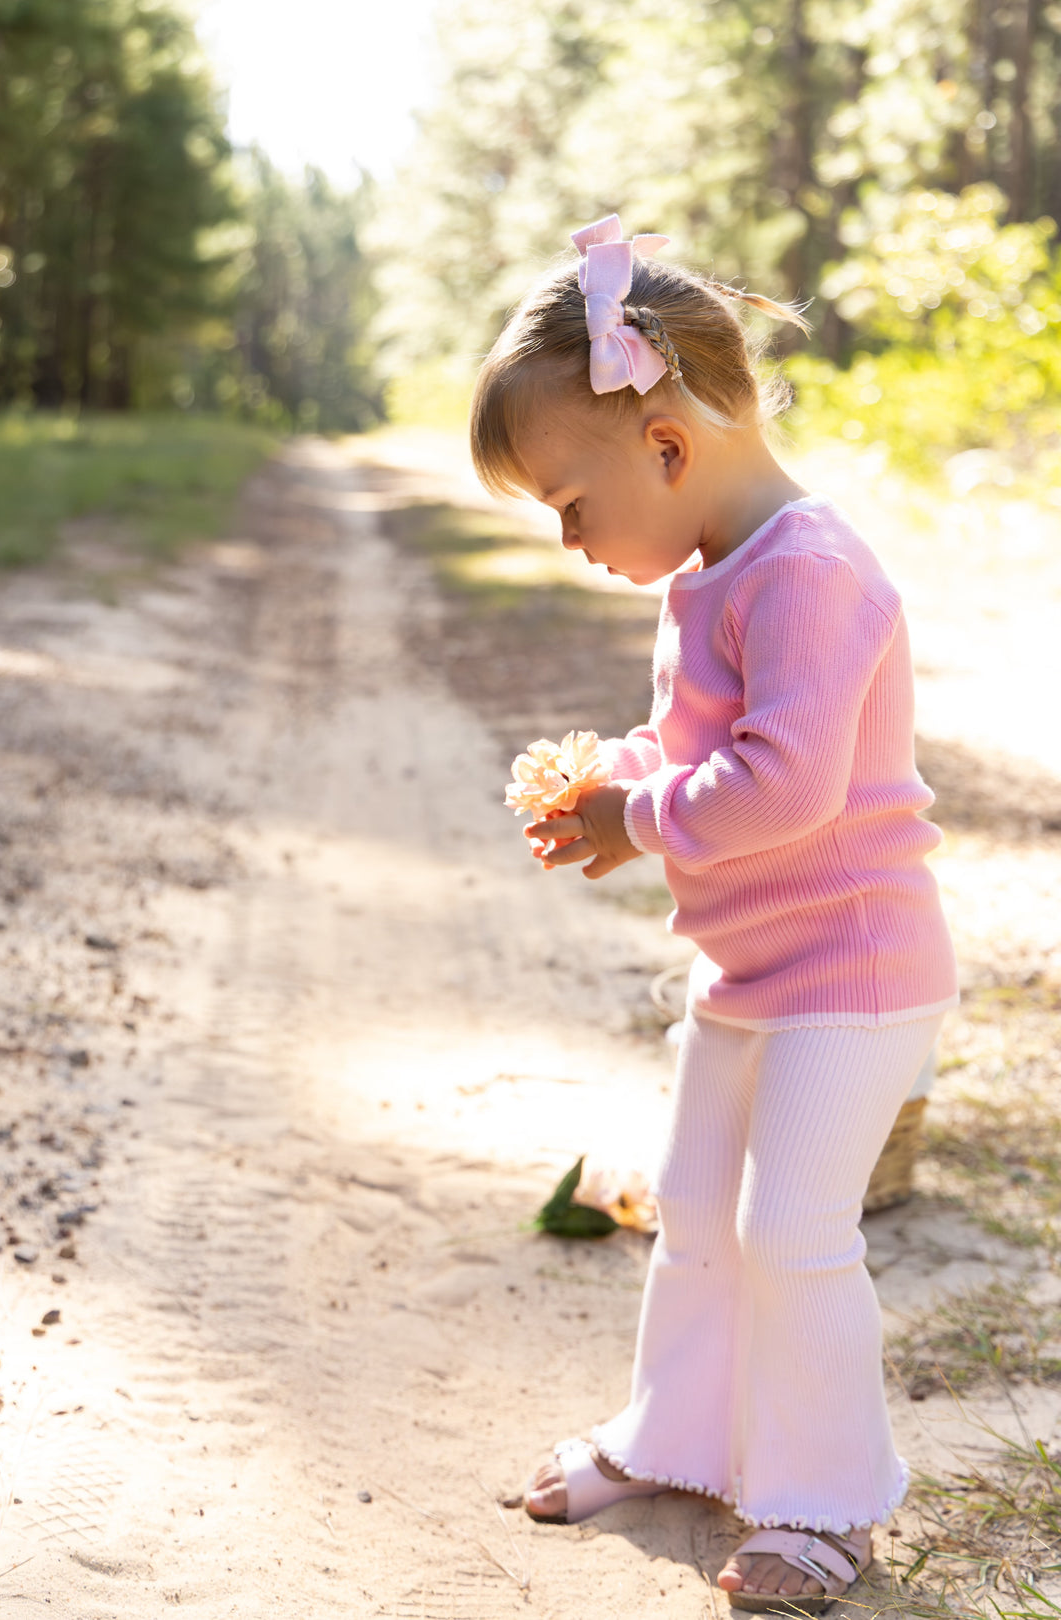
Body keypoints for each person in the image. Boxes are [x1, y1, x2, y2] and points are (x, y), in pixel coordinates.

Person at [468, 215, 959, 1614]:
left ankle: (824, 1503)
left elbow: (787, 786)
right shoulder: (709, 572)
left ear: (668, 449)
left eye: (571, 503)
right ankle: (675, 1435)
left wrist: (643, 818)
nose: (570, 539)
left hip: (853, 973)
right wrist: (614, 777)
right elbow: (693, 742)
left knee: (792, 1227)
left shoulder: (809, 569)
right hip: (754, 967)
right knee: (695, 1209)